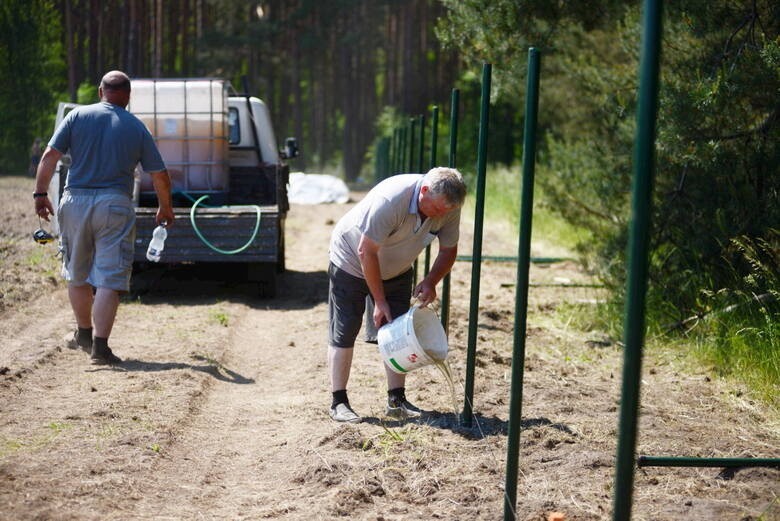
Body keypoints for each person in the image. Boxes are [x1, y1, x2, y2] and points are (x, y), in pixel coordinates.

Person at [33, 70, 174, 365]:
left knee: (77, 271)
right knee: (110, 277)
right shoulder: (136, 127)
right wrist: (165, 208)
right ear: (128, 96)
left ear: (100, 91)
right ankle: (100, 347)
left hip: (75, 201)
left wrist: (40, 194)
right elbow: (159, 174)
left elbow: (49, 156)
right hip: (114, 204)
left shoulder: (76, 117)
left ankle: (83, 333)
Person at [327, 167, 467, 422]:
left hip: (397, 268)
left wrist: (431, 281)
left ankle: (396, 400)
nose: (440, 216)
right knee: (346, 328)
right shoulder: (391, 200)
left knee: (399, 330)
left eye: (445, 212)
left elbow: (448, 250)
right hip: (351, 261)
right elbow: (365, 251)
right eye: (436, 210)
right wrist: (379, 302)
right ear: (424, 191)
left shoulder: (448, 206)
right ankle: (339, 402)